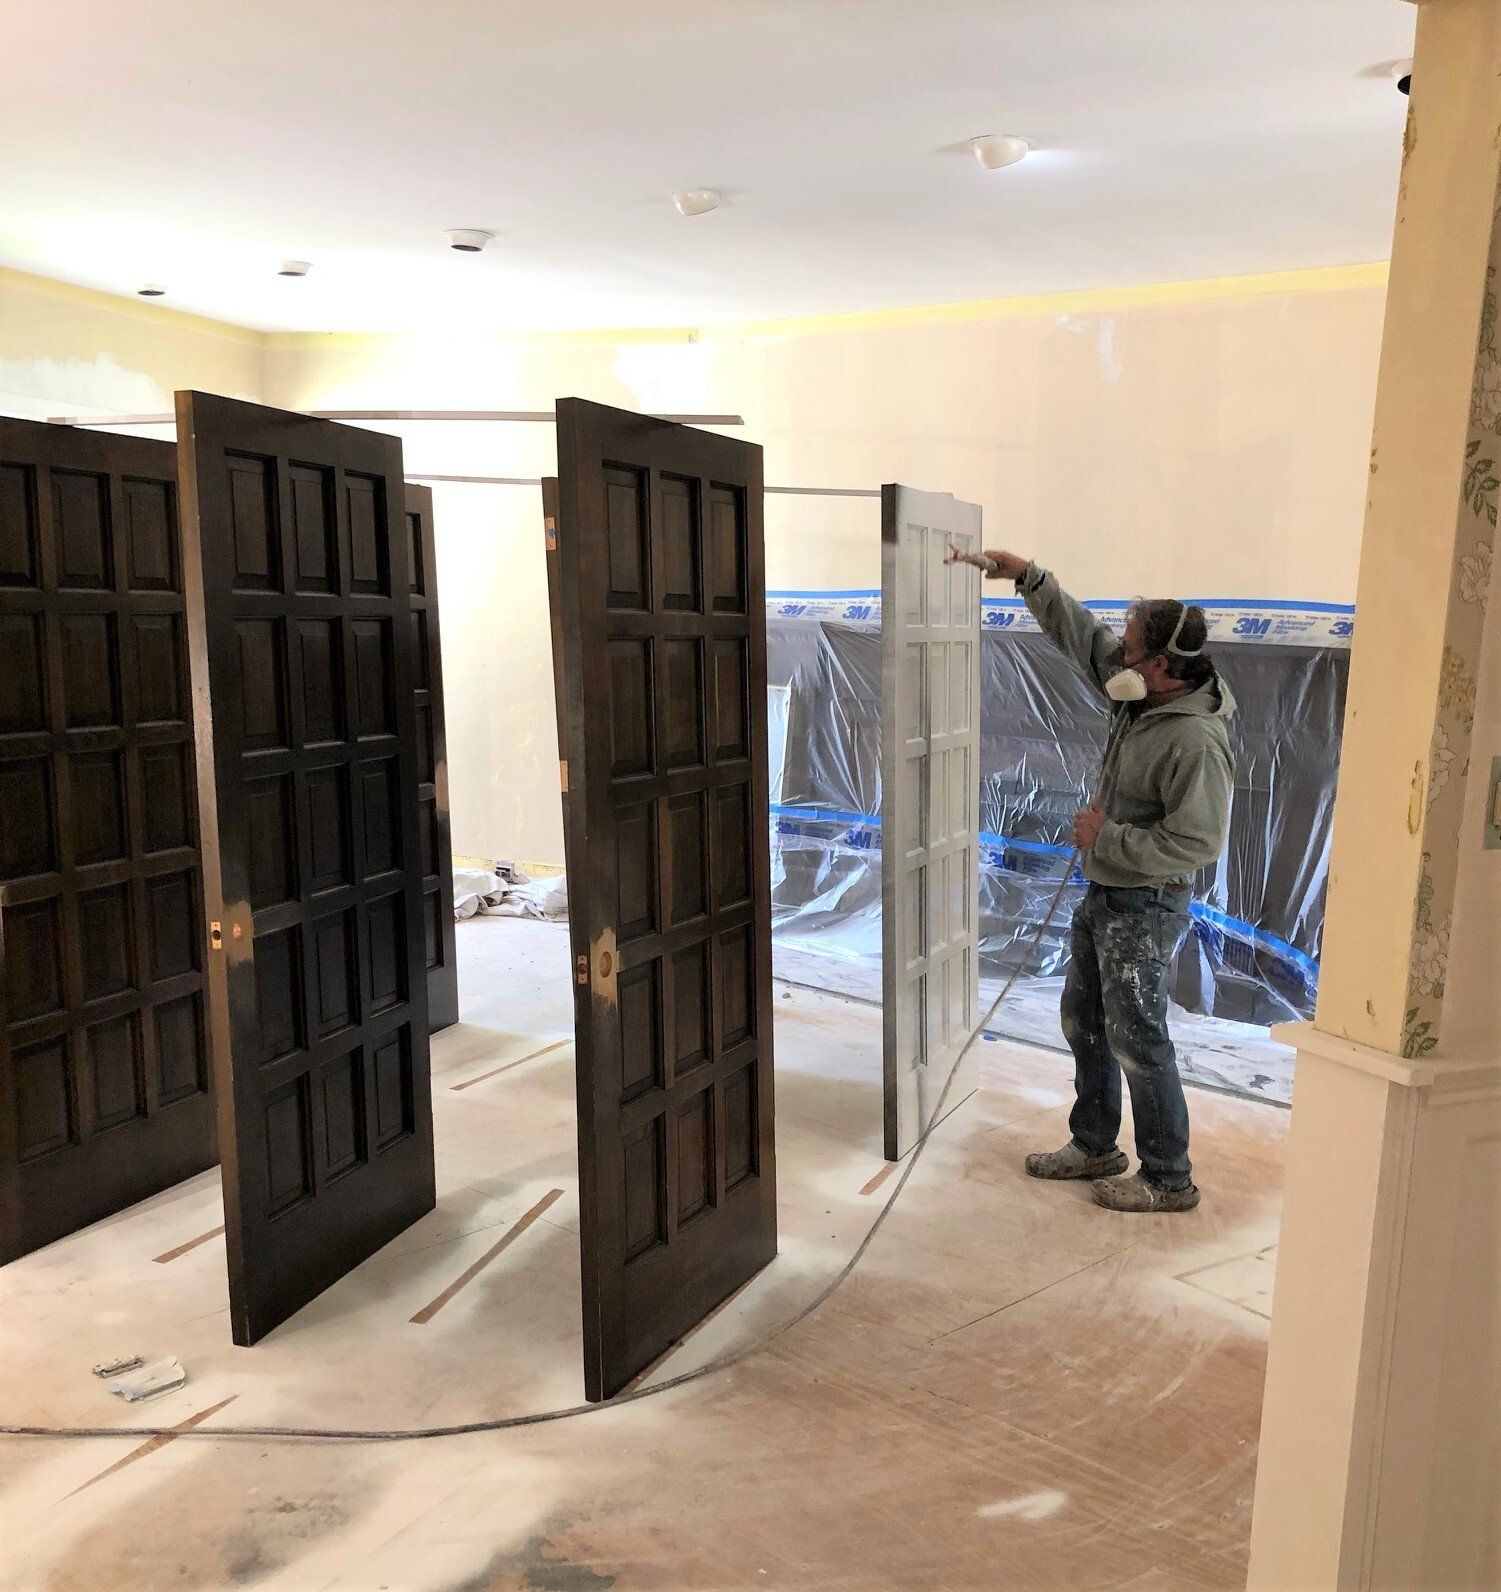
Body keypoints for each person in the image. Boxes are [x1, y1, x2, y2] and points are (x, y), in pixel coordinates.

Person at [981, 551, 1235, 1212]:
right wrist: (1028, 578)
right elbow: (1083, 639)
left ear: (1159, 666)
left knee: (1138, 1039)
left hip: (1145, 904)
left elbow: (1196, 842)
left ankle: (1167, 1177)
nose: (1116, 655)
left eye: (1129, 648)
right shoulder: (1137, 695)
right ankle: (1094, 1145)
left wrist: (1108, 839)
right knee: (1085, 1022)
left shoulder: (1195, 742)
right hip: (1103, 894)